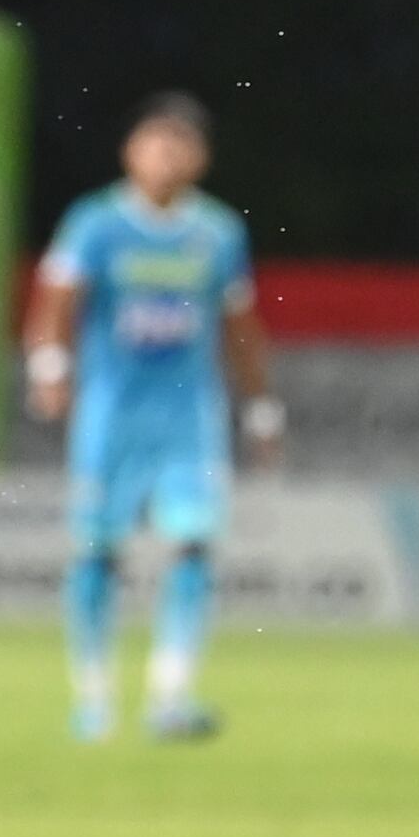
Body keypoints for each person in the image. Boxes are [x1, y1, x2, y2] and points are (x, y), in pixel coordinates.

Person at [18, 93, 278, 740]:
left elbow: (240, 323)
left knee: (193, 544)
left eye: (181, 144)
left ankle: (170, 694)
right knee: (97, 551)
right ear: (130, 151)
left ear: (202, 158)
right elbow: (55, 301)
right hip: (112, 416)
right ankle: (94, 698)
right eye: (156, 142)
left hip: (190, 418)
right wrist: (50, 367)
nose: (167, 156)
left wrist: (262, 405)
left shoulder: (216, 231)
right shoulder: (96, 223)